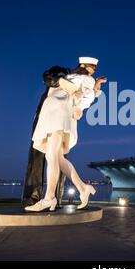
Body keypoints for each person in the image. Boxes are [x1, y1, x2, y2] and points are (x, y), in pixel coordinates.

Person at [25, 57, 104, 212]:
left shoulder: (85, 79)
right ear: (82, 65)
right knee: (58, 158)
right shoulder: (67, 76)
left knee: (52, 156)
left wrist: (79, 106)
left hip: (60, 112)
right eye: (91, 68)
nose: (93, 72)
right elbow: (50, 78)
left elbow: (87, 97)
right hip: (51, 111)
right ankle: (83, 188)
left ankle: (49, 198)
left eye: (93, 70)